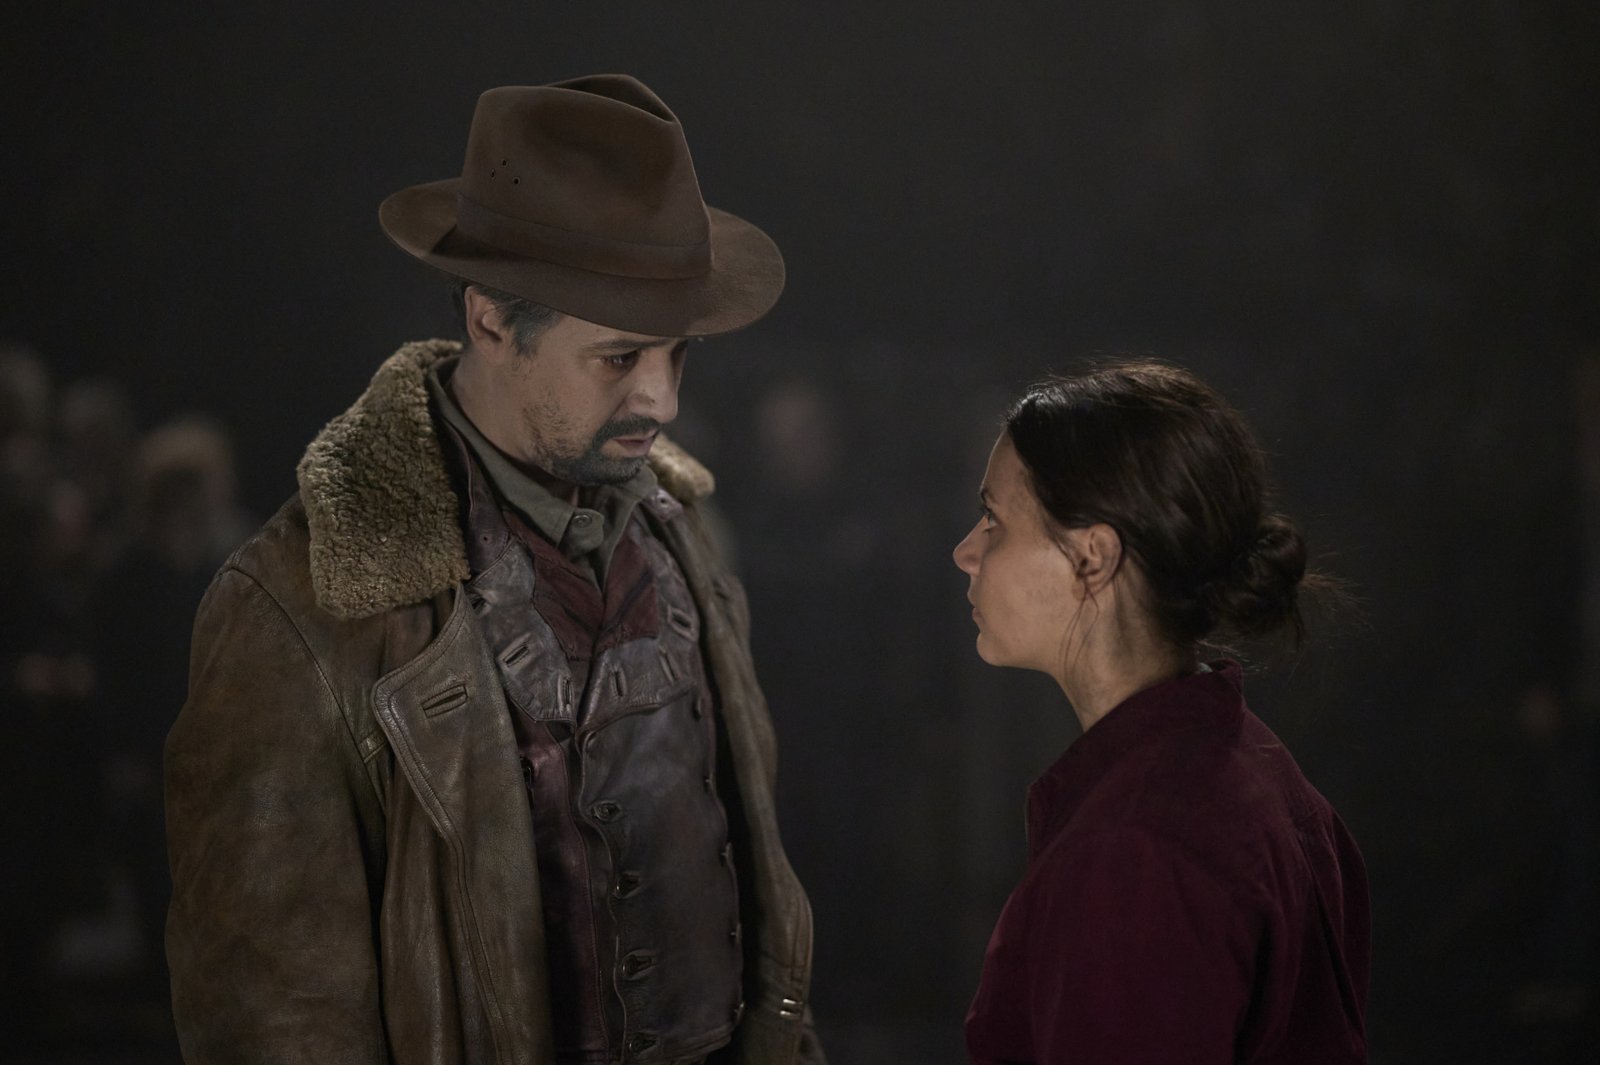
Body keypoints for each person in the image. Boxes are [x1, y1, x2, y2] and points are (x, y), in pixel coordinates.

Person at [164, 75, 822, 1065]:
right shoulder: (302, 607)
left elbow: (750, 895)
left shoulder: (685, 535)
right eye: (619, 357)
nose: (663, 400)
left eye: (677, 355)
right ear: (489, 320)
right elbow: (276, 1019)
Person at [954, 361, 1369, 1064]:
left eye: (994, 520)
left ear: (1092, 557)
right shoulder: (1253, 767)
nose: (966, 552)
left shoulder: (1134, 849)